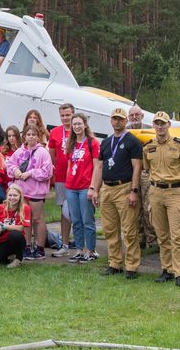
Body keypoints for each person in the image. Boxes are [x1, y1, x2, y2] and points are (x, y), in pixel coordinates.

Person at [142, 111, 180, 287]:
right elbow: (148, 169)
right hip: (155, 193)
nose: (160, 126)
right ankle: (167, 270)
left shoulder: (179, 146)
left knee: (177, 235)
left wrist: (179, 188)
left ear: (169, 125)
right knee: (161, 235)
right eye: (157, 123)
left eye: (163, 123)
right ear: (153, 125)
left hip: (174, 192)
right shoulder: (148, 147)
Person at [95, 107, 143, 278]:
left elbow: (137, 167)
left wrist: (134, 191)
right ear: (111, 120)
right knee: (109, 228)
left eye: (121, 119)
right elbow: (99, 167)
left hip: (124, 187)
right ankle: (115, 263)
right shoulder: (106, 142)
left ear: (126, 121)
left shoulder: (132, 141)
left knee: (129, 229)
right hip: (107, 188)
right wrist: (95, 189)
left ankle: (131, 266)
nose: (117, 122)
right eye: (114, 119)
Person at [6, 126, 53, 259]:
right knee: (25, 219)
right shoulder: (19, 151)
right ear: (24, 136)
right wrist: (15, 170)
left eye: (33, 134)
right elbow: (10, 164)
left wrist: (30, 173)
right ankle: (26, 246)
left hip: (36, 192)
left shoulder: (43, 152)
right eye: (28, 134)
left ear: (38, 137)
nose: (31, 136)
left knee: (37, 219)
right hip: (22, 191)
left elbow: (47, 171)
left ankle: (40, 248)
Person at [63, 113, 100, 264]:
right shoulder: (71, 143)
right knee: (76, 220)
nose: (77, 127)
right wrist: (67, 184)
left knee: (87, 220)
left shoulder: (93, 143)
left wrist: (94, 187)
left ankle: (90, 250)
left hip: (86, 187)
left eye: (79, 124)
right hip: (71, 187)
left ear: (85, 125)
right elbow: (69, 165)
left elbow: (98, 166)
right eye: (74, 124)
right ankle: (79, 250)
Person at [127, 104, 158, 251]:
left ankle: (152, 239)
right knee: (134, 207)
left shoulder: (150, 131)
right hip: (130, 173)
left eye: (137, 115)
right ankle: (139, 239)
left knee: (148, 207)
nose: (134, 118)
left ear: (142, 116)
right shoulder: (125, 131)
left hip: (146, 172)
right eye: (131, 115)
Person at [46, 103, 75, 256]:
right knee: (64, 212)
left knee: (78, 211)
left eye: (68, 115)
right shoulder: (55, 132)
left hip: (77, 179)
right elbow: (51, 156)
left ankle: (82, 243)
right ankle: (64, 243)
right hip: (61, 178)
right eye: (62, 115)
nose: (65, 118)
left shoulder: (79, 130)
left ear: (73, 114)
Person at [0, 184, 29, 267]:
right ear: (6, 196)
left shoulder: (25, 208)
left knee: (15, 235)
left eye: (15, 195)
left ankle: (18, 258)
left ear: (20, 196)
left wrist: (4, 226)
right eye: (10, 195)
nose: (12, 198)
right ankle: (8, 257)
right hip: (2, 241)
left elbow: (21, 227)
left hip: (17, 240)